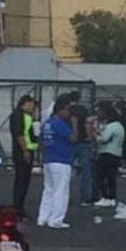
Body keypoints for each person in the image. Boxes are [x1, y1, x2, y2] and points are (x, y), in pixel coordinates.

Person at [37, 94, 76, 229]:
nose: (69, 113)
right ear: (61, 110)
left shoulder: (48, 123)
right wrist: (75, 124)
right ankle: (56, 219)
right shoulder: (60, 124)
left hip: (50, 158)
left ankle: (43, 217)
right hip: (62, 159)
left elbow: (41, 140)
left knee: (49, 190)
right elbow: (72, 138)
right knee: (61, 191)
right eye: (67, 110)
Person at [10, 95, 39, 217]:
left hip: (27, 150)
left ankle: (19, 206)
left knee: (24, 180)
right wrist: (25, 150)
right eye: (33, 104)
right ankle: (17, 208)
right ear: (26, 103)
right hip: (22, 151)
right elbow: (19, 134)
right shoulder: (18, 115)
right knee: (22, 180)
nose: (34, 107)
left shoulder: (28, 116)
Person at [94, 103, 125, 208]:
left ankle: (105, 197)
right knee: (111, 177)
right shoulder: (120, 126)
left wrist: (96, 135)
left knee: (100, 176)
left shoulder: (111, 126)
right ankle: (112, 197)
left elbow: (103, 139)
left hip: (107, 153)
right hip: (116, 154)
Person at [69, 95, 95, 207]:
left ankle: (62, 195)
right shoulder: (83, 109)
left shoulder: (68, 110)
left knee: (65, 170)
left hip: (69, 142)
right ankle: (85, 197)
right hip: (83, 142)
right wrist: (89, 136)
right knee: (86, 171)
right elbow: (88, 124)